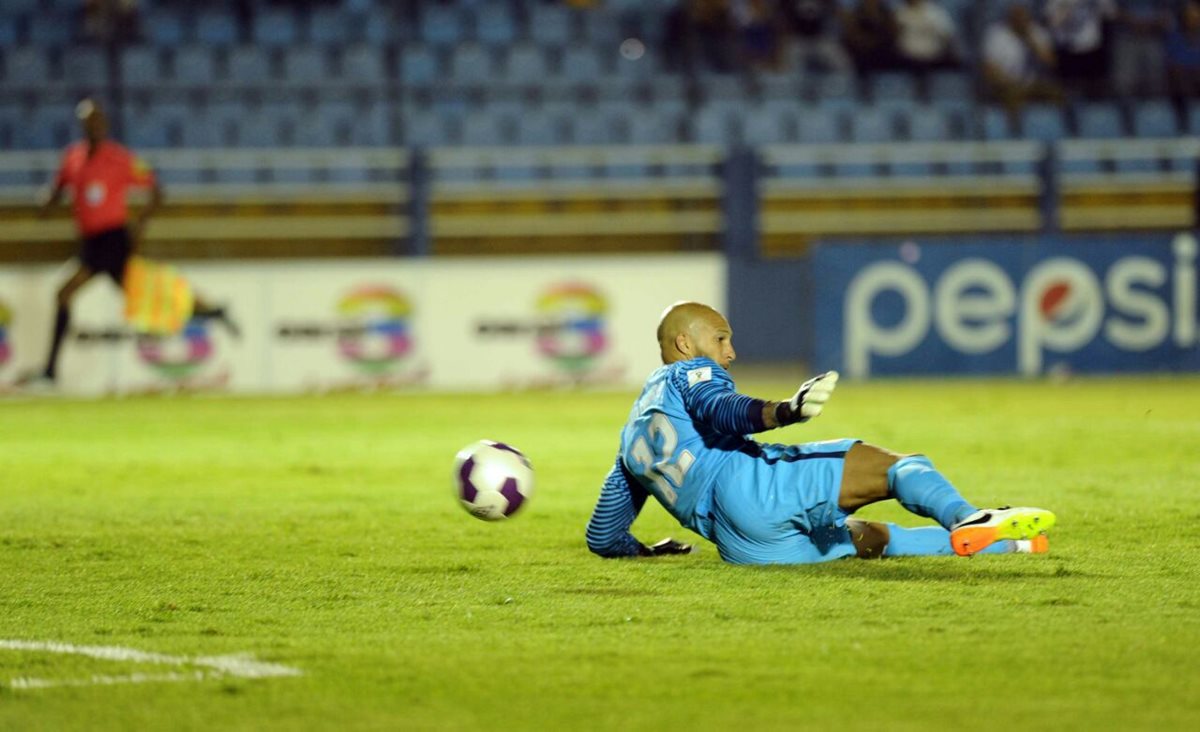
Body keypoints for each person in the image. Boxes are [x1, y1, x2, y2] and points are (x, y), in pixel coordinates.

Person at [585, 302, 1056, 564]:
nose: (731, 351)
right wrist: (782, 411)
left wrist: (644, 551)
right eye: (721, 338)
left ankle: (1010, 546)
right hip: (751, 488)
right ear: (685, 344)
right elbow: (721, 408)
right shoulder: (687, 373)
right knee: (895, 466)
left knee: (859, 537)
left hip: (743, 547)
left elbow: (603, 534)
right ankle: (966, 518)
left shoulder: (630, 439)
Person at [24, 98, 235, 388]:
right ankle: (210, 310)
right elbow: (59, 187)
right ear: (82, 125)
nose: (93, 125)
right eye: (88, 121)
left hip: (112, 240)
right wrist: (47, 201)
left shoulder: (120, 159)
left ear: (105, 124)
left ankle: (49, 373)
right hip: (91, 241)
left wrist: (140, 225)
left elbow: (156, 191)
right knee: (148, 295)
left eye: (97, 120)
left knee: (65, 294)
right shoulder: (72, 158)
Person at [982, 4, 1063, 122]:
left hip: (1035, 83)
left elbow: (1051, 62)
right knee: (1013, 97)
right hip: (1009, 84)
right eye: (1017, 17)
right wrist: (1006, 81)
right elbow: (988, 68)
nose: (1021, 21)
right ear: (1010, 18)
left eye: (1024, 18)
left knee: (1057, 94)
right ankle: (1016, 133)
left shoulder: (1036, 32)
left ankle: (1066, 132)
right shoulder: (996, 35)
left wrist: (1030, 40)